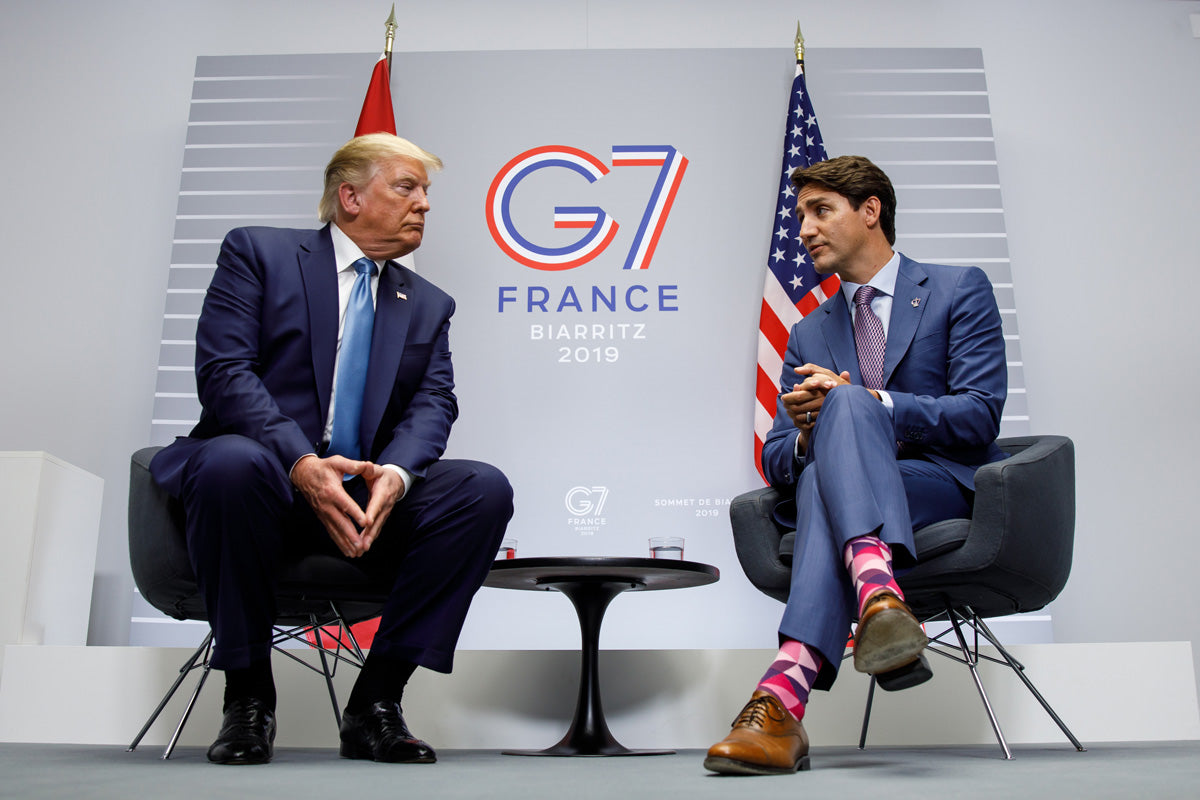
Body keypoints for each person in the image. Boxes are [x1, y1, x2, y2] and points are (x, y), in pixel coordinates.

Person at [150, 133, 514, 766]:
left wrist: (395, 476)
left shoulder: (427, 304)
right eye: (407, 187)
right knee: (234, 461)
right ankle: (247, 700)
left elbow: (435, 403)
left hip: (359, 503)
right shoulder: (258, 253)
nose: (424, 204)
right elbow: (225, 373)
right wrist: (301, 463)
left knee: (482, 489)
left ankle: (376, 702)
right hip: (257, 486)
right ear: (350, 196)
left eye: (425, 192)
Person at [705, 155, 1007, 775]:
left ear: (870, 211)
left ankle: (783, 697)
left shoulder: (958, 288)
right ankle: (876, 592)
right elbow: (776, 454)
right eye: (800, 217)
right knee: (819, 470)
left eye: (821, 211)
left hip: (936, 483)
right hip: (850, 489)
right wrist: (808, 434)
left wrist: (866, 404)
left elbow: (979, 416)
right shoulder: (808, 332)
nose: (805, 229)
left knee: (843, 416)